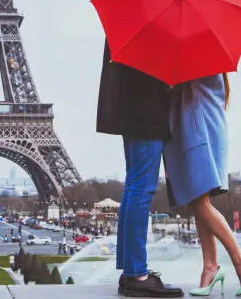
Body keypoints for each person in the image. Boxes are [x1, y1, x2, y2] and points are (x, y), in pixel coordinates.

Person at [96, 41, 183, 297]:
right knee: (142, 189)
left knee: (135, 186)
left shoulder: (130, 22)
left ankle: (131, 271)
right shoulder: (152, 28)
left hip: (134, 109)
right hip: (146, 111)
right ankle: (136, 273)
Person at [164, 74, 241, 296]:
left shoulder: (195, 63)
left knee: (200, 205)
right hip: (202, 130)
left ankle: (240, 259)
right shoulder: (207, 64)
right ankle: (210, 267)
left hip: (198, 134)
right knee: (198, 202)